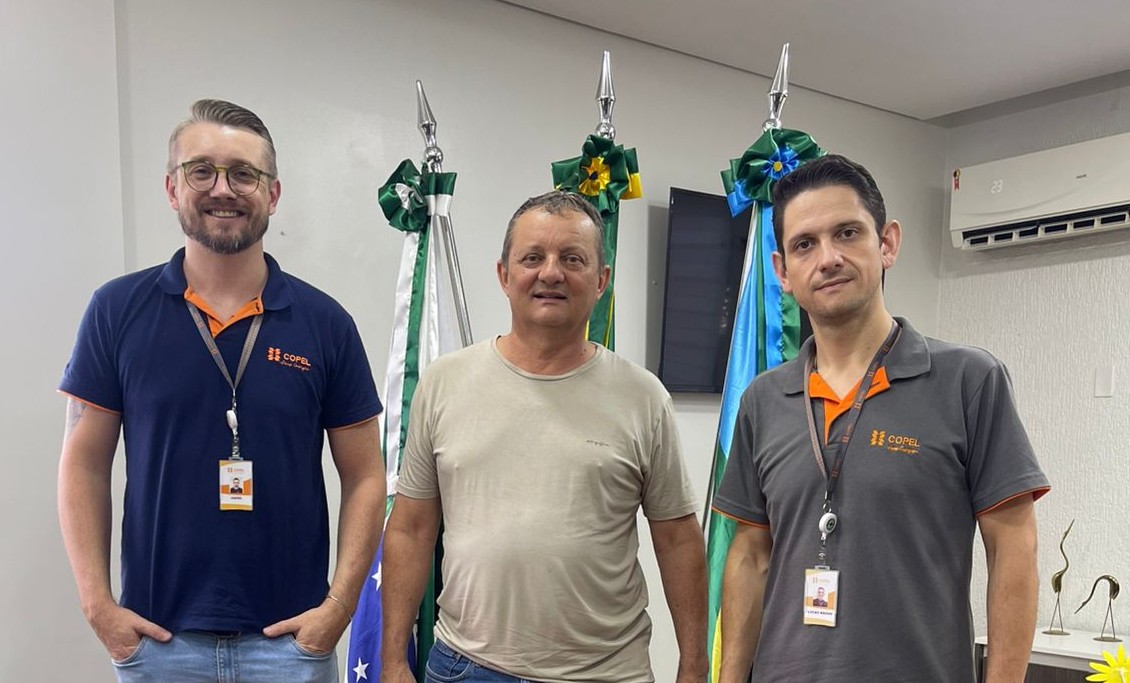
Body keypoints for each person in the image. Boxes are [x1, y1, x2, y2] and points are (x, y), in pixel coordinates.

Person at [57, 99, 385, 683]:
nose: (223, 189)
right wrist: (96, 605)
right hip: (159, 644)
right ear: (172, 187)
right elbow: (83, 464)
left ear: (273, 194)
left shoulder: (326, 323)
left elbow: (365, 475)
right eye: (201, 171)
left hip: (292, 648)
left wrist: (338, 608)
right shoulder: (116, 311)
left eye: (243, 174)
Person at [712, 154, 1049, 683]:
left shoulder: (969, 381)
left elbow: (1013, 546)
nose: (828, 258)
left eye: (847, 233)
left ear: (887, 243)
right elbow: (750, 557)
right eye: (805, 244)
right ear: (782, 271)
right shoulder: (762, 400)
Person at [379, 191, 708, 683]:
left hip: (603, 673)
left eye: (572, 259)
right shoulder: (444, 382)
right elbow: (410, 528)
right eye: (532, 258)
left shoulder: (643, 398)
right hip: (466, 668)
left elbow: (678, 539)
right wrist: (392, 661)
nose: (550, 273)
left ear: (601, 280)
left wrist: (694, 665)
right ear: (503, 275)